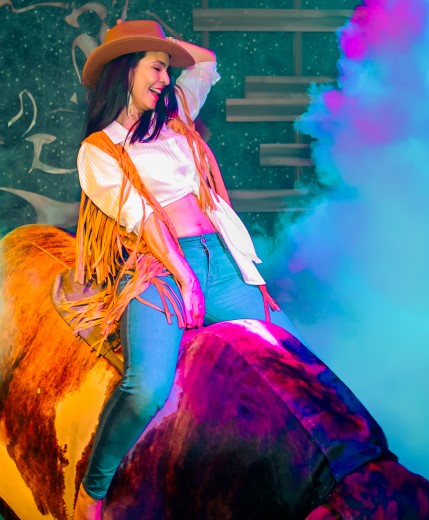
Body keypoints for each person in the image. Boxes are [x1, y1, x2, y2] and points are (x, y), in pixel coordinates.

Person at [66, 19, 313, 519]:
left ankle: (303, 485)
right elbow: (143, 219)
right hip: (158, 269)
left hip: (220, 261)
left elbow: (204, 62)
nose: (164, 77)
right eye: (155, 68)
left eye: (164, 68)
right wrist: (183, 280)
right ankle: (92, 490)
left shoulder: (174, 116)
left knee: (295, 361)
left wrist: (157, 44)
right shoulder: (100, 148)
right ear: (125, 71)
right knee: (146, 387)